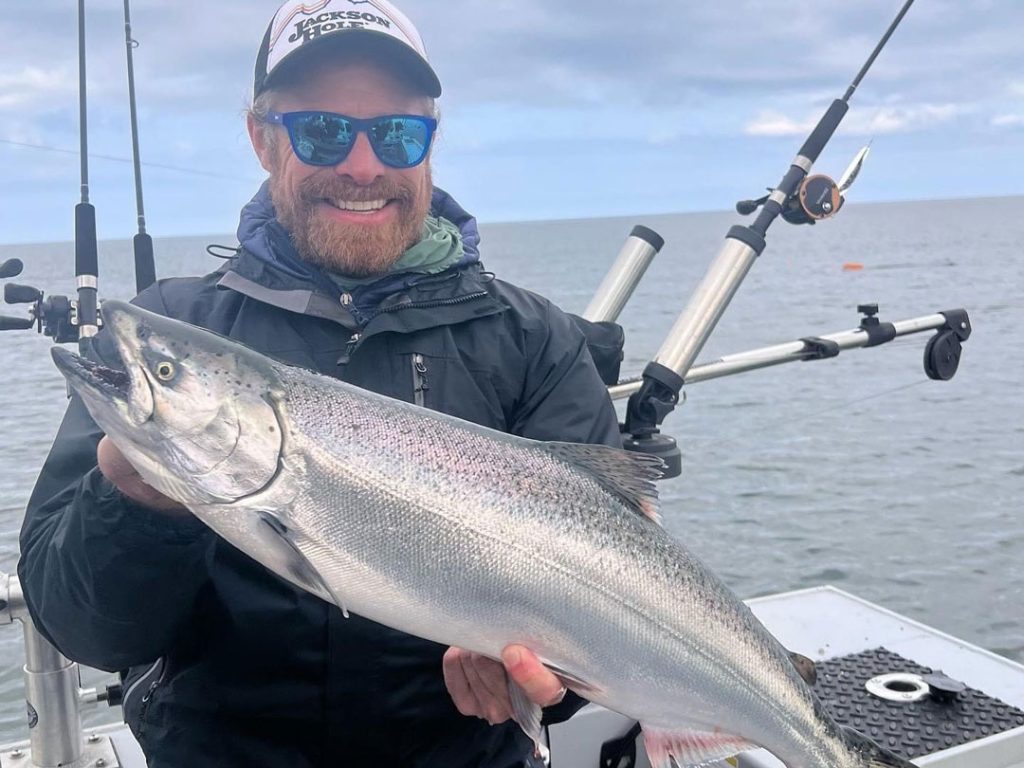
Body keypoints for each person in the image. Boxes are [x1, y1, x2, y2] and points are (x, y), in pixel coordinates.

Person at [18, 1, 624, 766]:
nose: (363, 167)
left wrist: (542, 675)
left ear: (430, 146)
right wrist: (129, 504)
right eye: (324, 132)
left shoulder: (533, 340)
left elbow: (617, 603)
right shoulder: (174, 324)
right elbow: (88, 631)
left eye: (397, 134)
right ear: (264, 141)